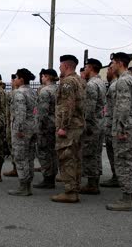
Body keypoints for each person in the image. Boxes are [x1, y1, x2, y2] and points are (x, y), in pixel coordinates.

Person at [106, 52, 132, 211]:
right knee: (131, 163)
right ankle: (131, 197)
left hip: (124, 130)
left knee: (124, 163)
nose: (110, 66)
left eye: (112, 62)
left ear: (120, 63)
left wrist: (120, 128)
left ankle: (127, 199)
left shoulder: (122, 81)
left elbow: (123, 107)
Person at [51, 55, 85, 203]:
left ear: (66, 66)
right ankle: (75, 187)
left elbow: (67, 105)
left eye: (60, 66)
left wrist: (63, 126)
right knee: (75, 157)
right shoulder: (80, 80)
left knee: (67, 158)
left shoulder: (68, 82)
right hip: (78, 125)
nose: (59, 68)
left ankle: (70, 191)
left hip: (69, 127)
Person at [8, 68, 37, 196]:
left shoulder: (19, 93)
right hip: (32, 127)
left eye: (16, 77)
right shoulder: (32, 92)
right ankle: (27, 184)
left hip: (22, 129)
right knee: (29, 157)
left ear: (21, 79)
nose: (14, 80)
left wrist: (19, 129)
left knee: (20, 157)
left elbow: (20, 112)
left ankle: (23, 186)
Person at [80, 58, 106, 195]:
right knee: (96, 154)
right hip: (100, 122)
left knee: (89, 154)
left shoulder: (91, 85)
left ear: (90, 67)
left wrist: (85, 124)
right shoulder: (101, 82)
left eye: (86, 67)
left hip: (92, 124)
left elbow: (89, 109)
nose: (84, 70)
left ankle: (92, 184)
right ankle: (94, 181)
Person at [33, 68, 58, 189]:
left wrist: (39, 128)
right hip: (56, 125)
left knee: (44, 153)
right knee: (53, 153)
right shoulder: (58, 89)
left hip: (45, 127)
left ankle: (48, 178)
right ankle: (52, 176)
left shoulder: (45, 91)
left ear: (47, 77)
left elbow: (43, 113)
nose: (41, 78)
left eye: (42, 76)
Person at [100, 63, 120, 187]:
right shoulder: (113, 85)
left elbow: (119, 108)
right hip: (111, 124)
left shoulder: (115, 86)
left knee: (115, 154)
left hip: (114, 125)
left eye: (109, 70)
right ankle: (116, 176)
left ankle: (118, 177)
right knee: (112, 153)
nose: (107, 72)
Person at [3, 74, 19, 177]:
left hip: (13, 124)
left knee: (14, 147)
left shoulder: (13, 94)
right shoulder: (31, 92)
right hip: (17, 123)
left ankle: (16, 169)